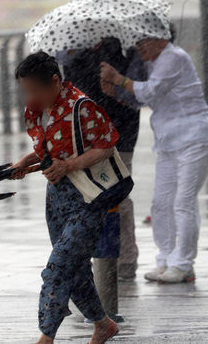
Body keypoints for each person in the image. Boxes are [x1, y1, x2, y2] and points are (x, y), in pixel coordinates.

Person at [11, 52, 120, 344]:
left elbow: (106, 146)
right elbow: (49, 148)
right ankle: (103, 324)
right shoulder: (34, 110)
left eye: (35, 89)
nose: (31, 96)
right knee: (76, 269)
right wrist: (26, 161)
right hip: (57, 197)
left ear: (56, 81)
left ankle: (46, 337)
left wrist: (69, 165)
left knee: (57, 267)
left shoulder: (82, 107)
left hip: (88, 197)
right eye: (26, 90)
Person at [100, 37, 208, 283]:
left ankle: (184, 264)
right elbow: (142, 98)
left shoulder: (174, 57)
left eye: (142, 43)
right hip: (168, 141)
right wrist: (116, 92)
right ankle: (166, 259)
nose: (138, 48)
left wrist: (118, 79)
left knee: (183, 202)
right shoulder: (151, 62)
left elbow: (150, 89)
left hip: (195, 137)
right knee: (161, 203)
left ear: (160, 39)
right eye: (136, 44)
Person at [59, 37, 146, 280]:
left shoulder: (125, 47)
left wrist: (116, 83)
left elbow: (136, 90)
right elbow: (65, 82)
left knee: (118, 193)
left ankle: (125, 258)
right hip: (82, 130)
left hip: (120, 128)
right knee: (83, 194)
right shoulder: (73, 48)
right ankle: (87, 257)